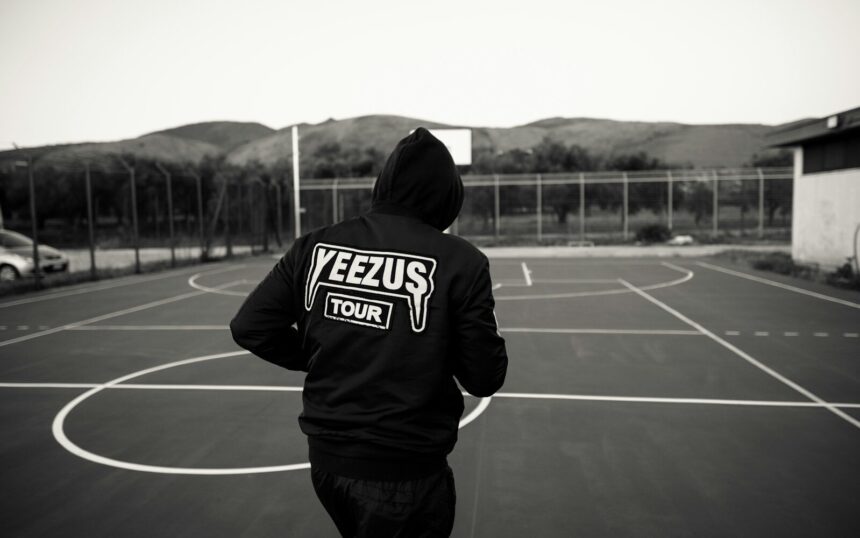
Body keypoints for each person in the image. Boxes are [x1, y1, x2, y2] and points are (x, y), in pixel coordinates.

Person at [230, 127, 508, 537]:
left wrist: (318, 355)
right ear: (448, 194)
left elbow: (249, 326)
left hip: (327, 463)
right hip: (404, 471)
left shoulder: (313, 245)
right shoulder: (461, 261)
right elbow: (485, 376)